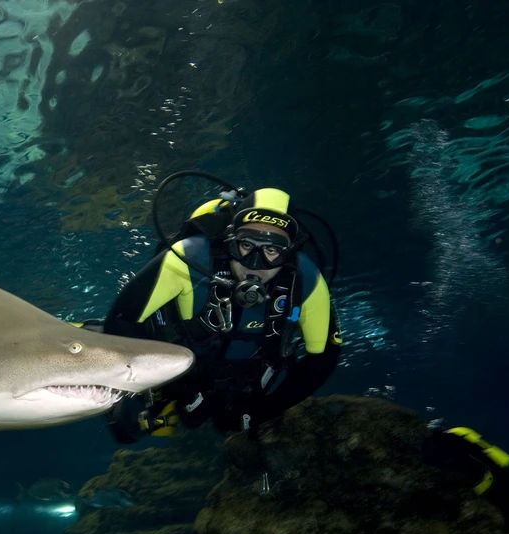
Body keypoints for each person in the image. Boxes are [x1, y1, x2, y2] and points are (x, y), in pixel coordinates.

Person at [82, 184, 343, 443]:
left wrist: (267, 408)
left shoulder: (307, 280)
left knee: (223, 422)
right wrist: (163, 381)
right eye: (246, 245)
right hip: (176, 367)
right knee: (128, 431)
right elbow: (122, 319)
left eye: (271, 250)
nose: (255, 264)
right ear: (231, 240)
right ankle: (87, 334)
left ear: (288, 255)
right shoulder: (188, 256)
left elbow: (324, 356)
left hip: (242, 377)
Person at [422, 425, 509, 534]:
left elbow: (465, 464)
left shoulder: (449, 441)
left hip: (496, 483)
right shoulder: (460, 431)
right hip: (506, 469)